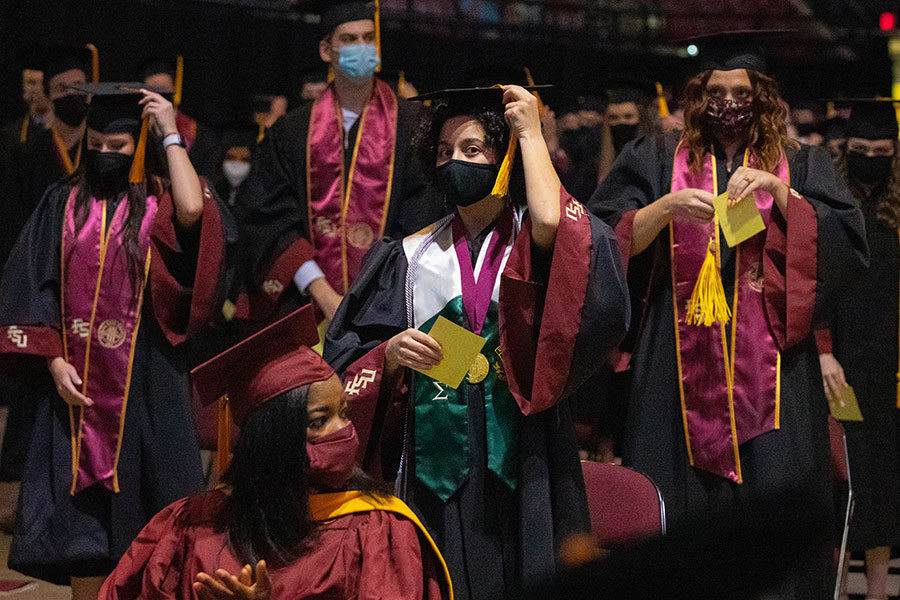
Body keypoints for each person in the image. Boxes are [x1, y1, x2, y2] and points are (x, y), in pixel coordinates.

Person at [588, 30, 867, 599]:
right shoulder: (655, 158)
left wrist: (780, 194)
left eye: (741, 91)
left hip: (776, 374)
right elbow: (601, 243)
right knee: (679, 519)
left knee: (775, 511)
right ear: (696, 95)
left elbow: (845, 245)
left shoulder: (800, 162)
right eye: (715, 90)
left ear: (762, 95)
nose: (728, 103)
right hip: (675, 366)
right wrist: (665, 208)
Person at [325, 85, 629, 599]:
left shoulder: (535, 244)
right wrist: (391, 355)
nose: (454, 162)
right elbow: (349, 355)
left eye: (472, 150)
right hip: (432, 460)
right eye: (444, 152)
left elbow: (558, 224)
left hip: (524, 456)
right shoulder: (411, 257)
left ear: (504, 157)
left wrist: (530, 132)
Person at [0, 82, 230, 599]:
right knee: (85, 531)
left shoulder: (160, 202)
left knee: (153, 525)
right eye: (98, 143)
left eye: (118, 147)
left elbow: (196, 212)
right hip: (76, 397)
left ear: (139, 147)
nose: (105, 153)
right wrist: (53, 360)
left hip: (146, 386)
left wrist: (170, 129)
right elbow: (32, 286)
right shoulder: (61, 202)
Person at [99, 306, 452, 600]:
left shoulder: (376, 530)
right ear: (273, 439)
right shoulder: (189, 526)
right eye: (319, 420)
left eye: (344, 413)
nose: (343, 431)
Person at [238, 1, 441, 325]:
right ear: (325, 49)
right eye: (349, 40)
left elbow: (423, 218)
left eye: (368, 38)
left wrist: (375, 293)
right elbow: (269, 218)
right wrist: (322, 291)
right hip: (307, 306)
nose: (361, 48)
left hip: (391, 306)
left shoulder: (414, 125)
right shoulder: (292, 131)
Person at [815, 99, 900, 600]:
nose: (872, 158)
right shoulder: (830, 205)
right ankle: (838, 590)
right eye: (862, 149)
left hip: (889, 368)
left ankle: (877, 592)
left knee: (887, 480)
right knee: (843, 480)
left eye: (883, 151)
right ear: (847, 151)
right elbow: (816, 282)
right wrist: (824, 350)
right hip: (838, 365)